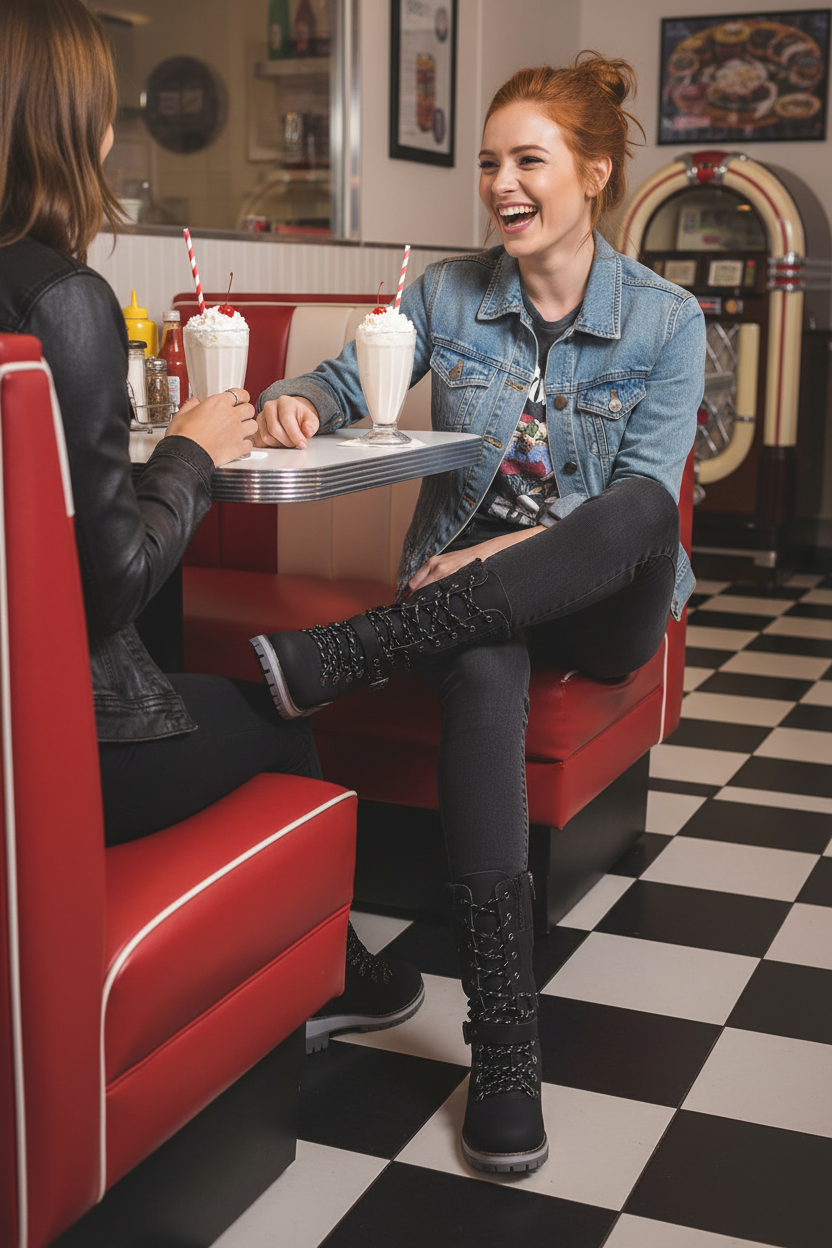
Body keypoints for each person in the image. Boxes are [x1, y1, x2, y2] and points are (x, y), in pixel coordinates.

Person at [251, 54, 706, 1174]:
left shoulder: (666, 320)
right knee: (486, 664)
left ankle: (357, 650)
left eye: (528, 160)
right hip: (474, 609)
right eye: (489, 162)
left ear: (592, 174)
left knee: (643, 501)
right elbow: (344, 379)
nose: (502, 182)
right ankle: (506, 1045)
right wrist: (298, 403)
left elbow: (633, 509)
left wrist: (500, 549)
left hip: (606, 600)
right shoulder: (445, 293)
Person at [0, 0, 423, 1052]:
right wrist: (191, 452)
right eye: (105, 110)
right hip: (54, 755)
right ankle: (323, 979)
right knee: (284, 721)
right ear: (73, 124)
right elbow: (108, 589)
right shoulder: (62, 301)